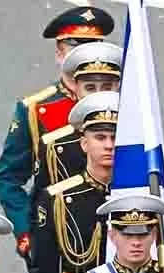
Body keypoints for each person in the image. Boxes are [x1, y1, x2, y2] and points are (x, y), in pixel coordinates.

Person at [0, 5, 116, 244]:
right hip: (57, 232)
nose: (85, 55)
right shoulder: (36, 109)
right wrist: (27, 231)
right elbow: (9, 178)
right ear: (59, 53)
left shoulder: (121, 106)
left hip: (116, 230)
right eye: (75, 47)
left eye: (92, 47)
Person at [27, 93, 119, 273]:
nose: (109, 145)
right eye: (100, 137)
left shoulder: (140, 198)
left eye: (114, 137)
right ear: (83, 143)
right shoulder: (57, 200)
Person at [31, 43, 125, 195]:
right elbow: (44, 201)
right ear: (75, 88)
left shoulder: (136, 139)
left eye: (107, 87)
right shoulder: (55, 146)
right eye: (90, 88)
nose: (98, 95)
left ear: (119, 87)